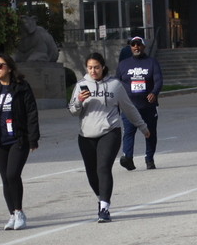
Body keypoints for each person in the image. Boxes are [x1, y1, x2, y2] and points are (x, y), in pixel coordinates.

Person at [69, 53, 150, 223]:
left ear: (103, 67)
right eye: (90, 67)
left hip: (109, 131)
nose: (93, 71)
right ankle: (101, 198)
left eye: (96, 67)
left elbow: (129, 108)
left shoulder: (115, 85)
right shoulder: (81, 85)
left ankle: (104, 208)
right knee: (91, 172)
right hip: (86, 135)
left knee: (103, 168)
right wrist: (78, 101)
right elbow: (72, 111)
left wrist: (143, 127)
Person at [0, 54, 40, 231]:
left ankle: (19, 211)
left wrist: (33, 138)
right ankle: (12, 214)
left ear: (9, 67)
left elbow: (31, 112)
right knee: (5, 178)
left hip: (18, 138)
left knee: (12, 174)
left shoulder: (21, 87)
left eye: (0, 66)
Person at [116, 36, 163, 170]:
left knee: (150, 132)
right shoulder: (123, 64)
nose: (136, 47)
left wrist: (154, 93)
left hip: (148, 106)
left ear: (143, 47)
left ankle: (149, 159)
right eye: (133, 45)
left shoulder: (152, 62)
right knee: (128, 132)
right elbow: (116, 83)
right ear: (130, 47)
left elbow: (158, 80)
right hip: (129, 106)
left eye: (138, 45)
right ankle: (128, 158)